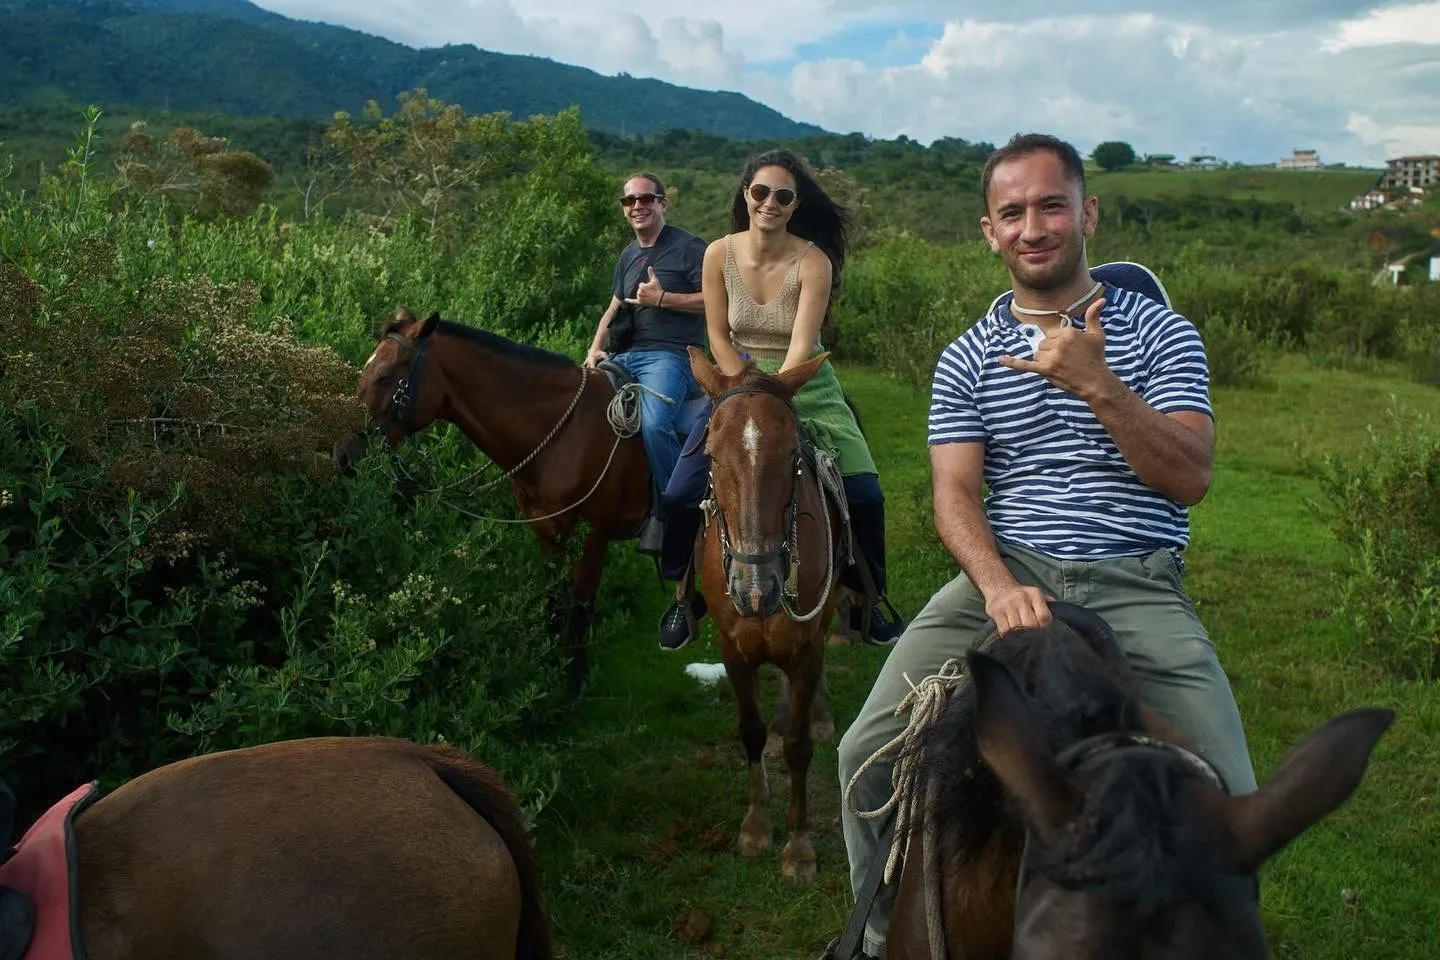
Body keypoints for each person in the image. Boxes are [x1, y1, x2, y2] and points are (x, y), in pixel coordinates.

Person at [833, 133, 1258, 959]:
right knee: (865, 754)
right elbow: (955, 497)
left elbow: (1191, 476)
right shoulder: (966, 357)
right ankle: (883, 935)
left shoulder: (1162, 334)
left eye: (1052, 205)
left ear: (1087, 213)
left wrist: (1098, 383)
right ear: (989, 232)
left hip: (1135, 577)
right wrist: (995, 587)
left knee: (1234, 804)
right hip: (1013, 569)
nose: (1035, 226)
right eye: (1013, 212)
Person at [654, 148, 904, 652]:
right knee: (681, 492)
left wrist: (775, 393)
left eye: (783, 196)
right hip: (735, 381)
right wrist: (740, 390)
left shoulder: (814, 261)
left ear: (794, 204)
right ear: (746, 194)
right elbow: (718, 335)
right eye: (761, 192)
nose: (770, 202)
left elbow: (802, 343)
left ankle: (871, 597)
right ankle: (684, 595)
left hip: (802, 382)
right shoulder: (717, 255)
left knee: (865, 491)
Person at [585, 172, 708, 554]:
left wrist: (663, 299)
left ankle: (682, 513)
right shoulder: (628, 255)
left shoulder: (689, 247)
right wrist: (594, 349)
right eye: (629, 201)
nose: (637, 206)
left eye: (646, 199)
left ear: (662, 203)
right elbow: (615, 306)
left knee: (656, 423)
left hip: (672, 356)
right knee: (581, 412)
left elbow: (715, 300)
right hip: (625, 355)